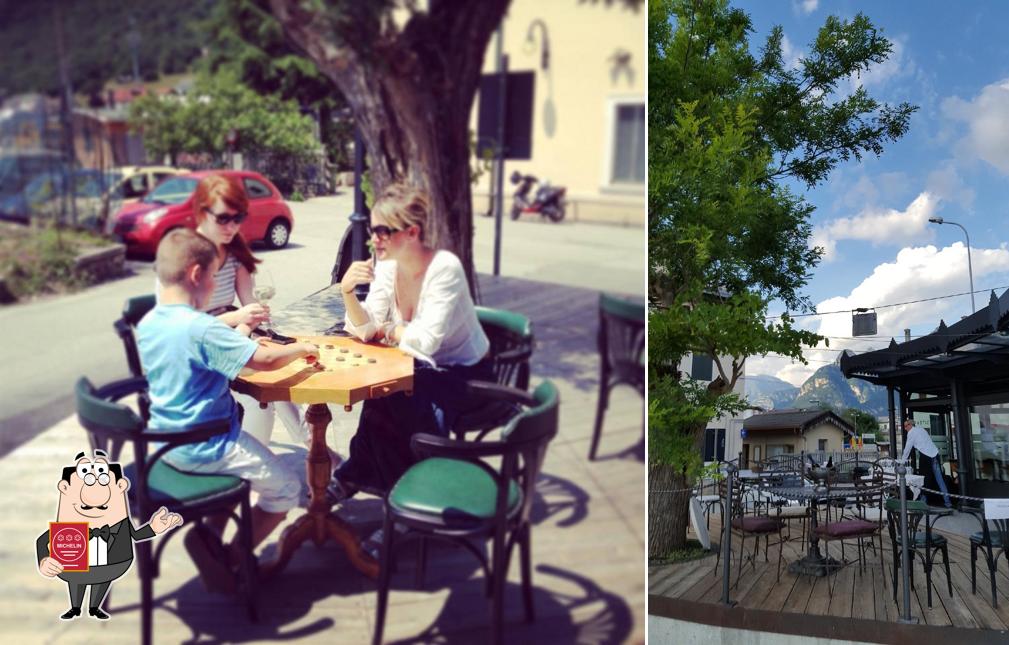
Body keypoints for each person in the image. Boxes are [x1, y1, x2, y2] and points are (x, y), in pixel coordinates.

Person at [137, 228, 319, 590]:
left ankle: (208, 540)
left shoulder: (149, 323)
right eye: (214, 276)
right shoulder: (200, 327)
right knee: (285, 489)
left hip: (165, 446)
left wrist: (242, 331)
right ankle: (230, 559)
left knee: (249, 474)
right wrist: (304, 349)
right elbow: (265, 361)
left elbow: (202, 354)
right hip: (209, 445)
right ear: (196, 275)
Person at [330, 183, 491, 503]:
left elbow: (426, 342)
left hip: (466, 375)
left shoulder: (444, 268)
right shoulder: (387, 266)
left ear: (411, 232)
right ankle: (388, 489)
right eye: (371, 230)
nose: (372, 238)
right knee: (385, 394)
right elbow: (367, 329)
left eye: (381, 231)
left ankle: (379, 483)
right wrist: (347, 293)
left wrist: (387, 330)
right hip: (418, 366)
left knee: (394, 397)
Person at [163, 174, 311, 453]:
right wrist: (238, 319)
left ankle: (312, 446)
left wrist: (255, 316)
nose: (232, 226)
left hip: (229, 336)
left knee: (279, 370)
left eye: (238, 218)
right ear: (201, 212)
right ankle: (258, 463)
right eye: (223, 218)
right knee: (265, 384)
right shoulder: (182, 256)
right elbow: (181, 329)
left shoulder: (234, 251)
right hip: (197, 353)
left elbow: (247, 302)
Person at [36, 450, 183, 620]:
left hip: (111, 564)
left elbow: (134, 534)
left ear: (120, 486)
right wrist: (44, 559)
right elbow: (43, 540)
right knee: (76, 582)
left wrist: (153, 528)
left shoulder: (119, 522)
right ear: (65, 488)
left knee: (102, 582)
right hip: (76, 563)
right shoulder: (68, 528)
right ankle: (75, 607)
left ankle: (94, 607)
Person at [901, 418, 952, 508]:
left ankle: (923, 503)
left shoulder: (911, 432)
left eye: (906, 426)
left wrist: (902, 463)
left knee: (924, 479)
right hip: (935, 455)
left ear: (910, 425)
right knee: (940, 479)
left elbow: (907, 449)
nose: (905, 428)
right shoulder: (921, 429)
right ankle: (948, 502)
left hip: (925, 456)